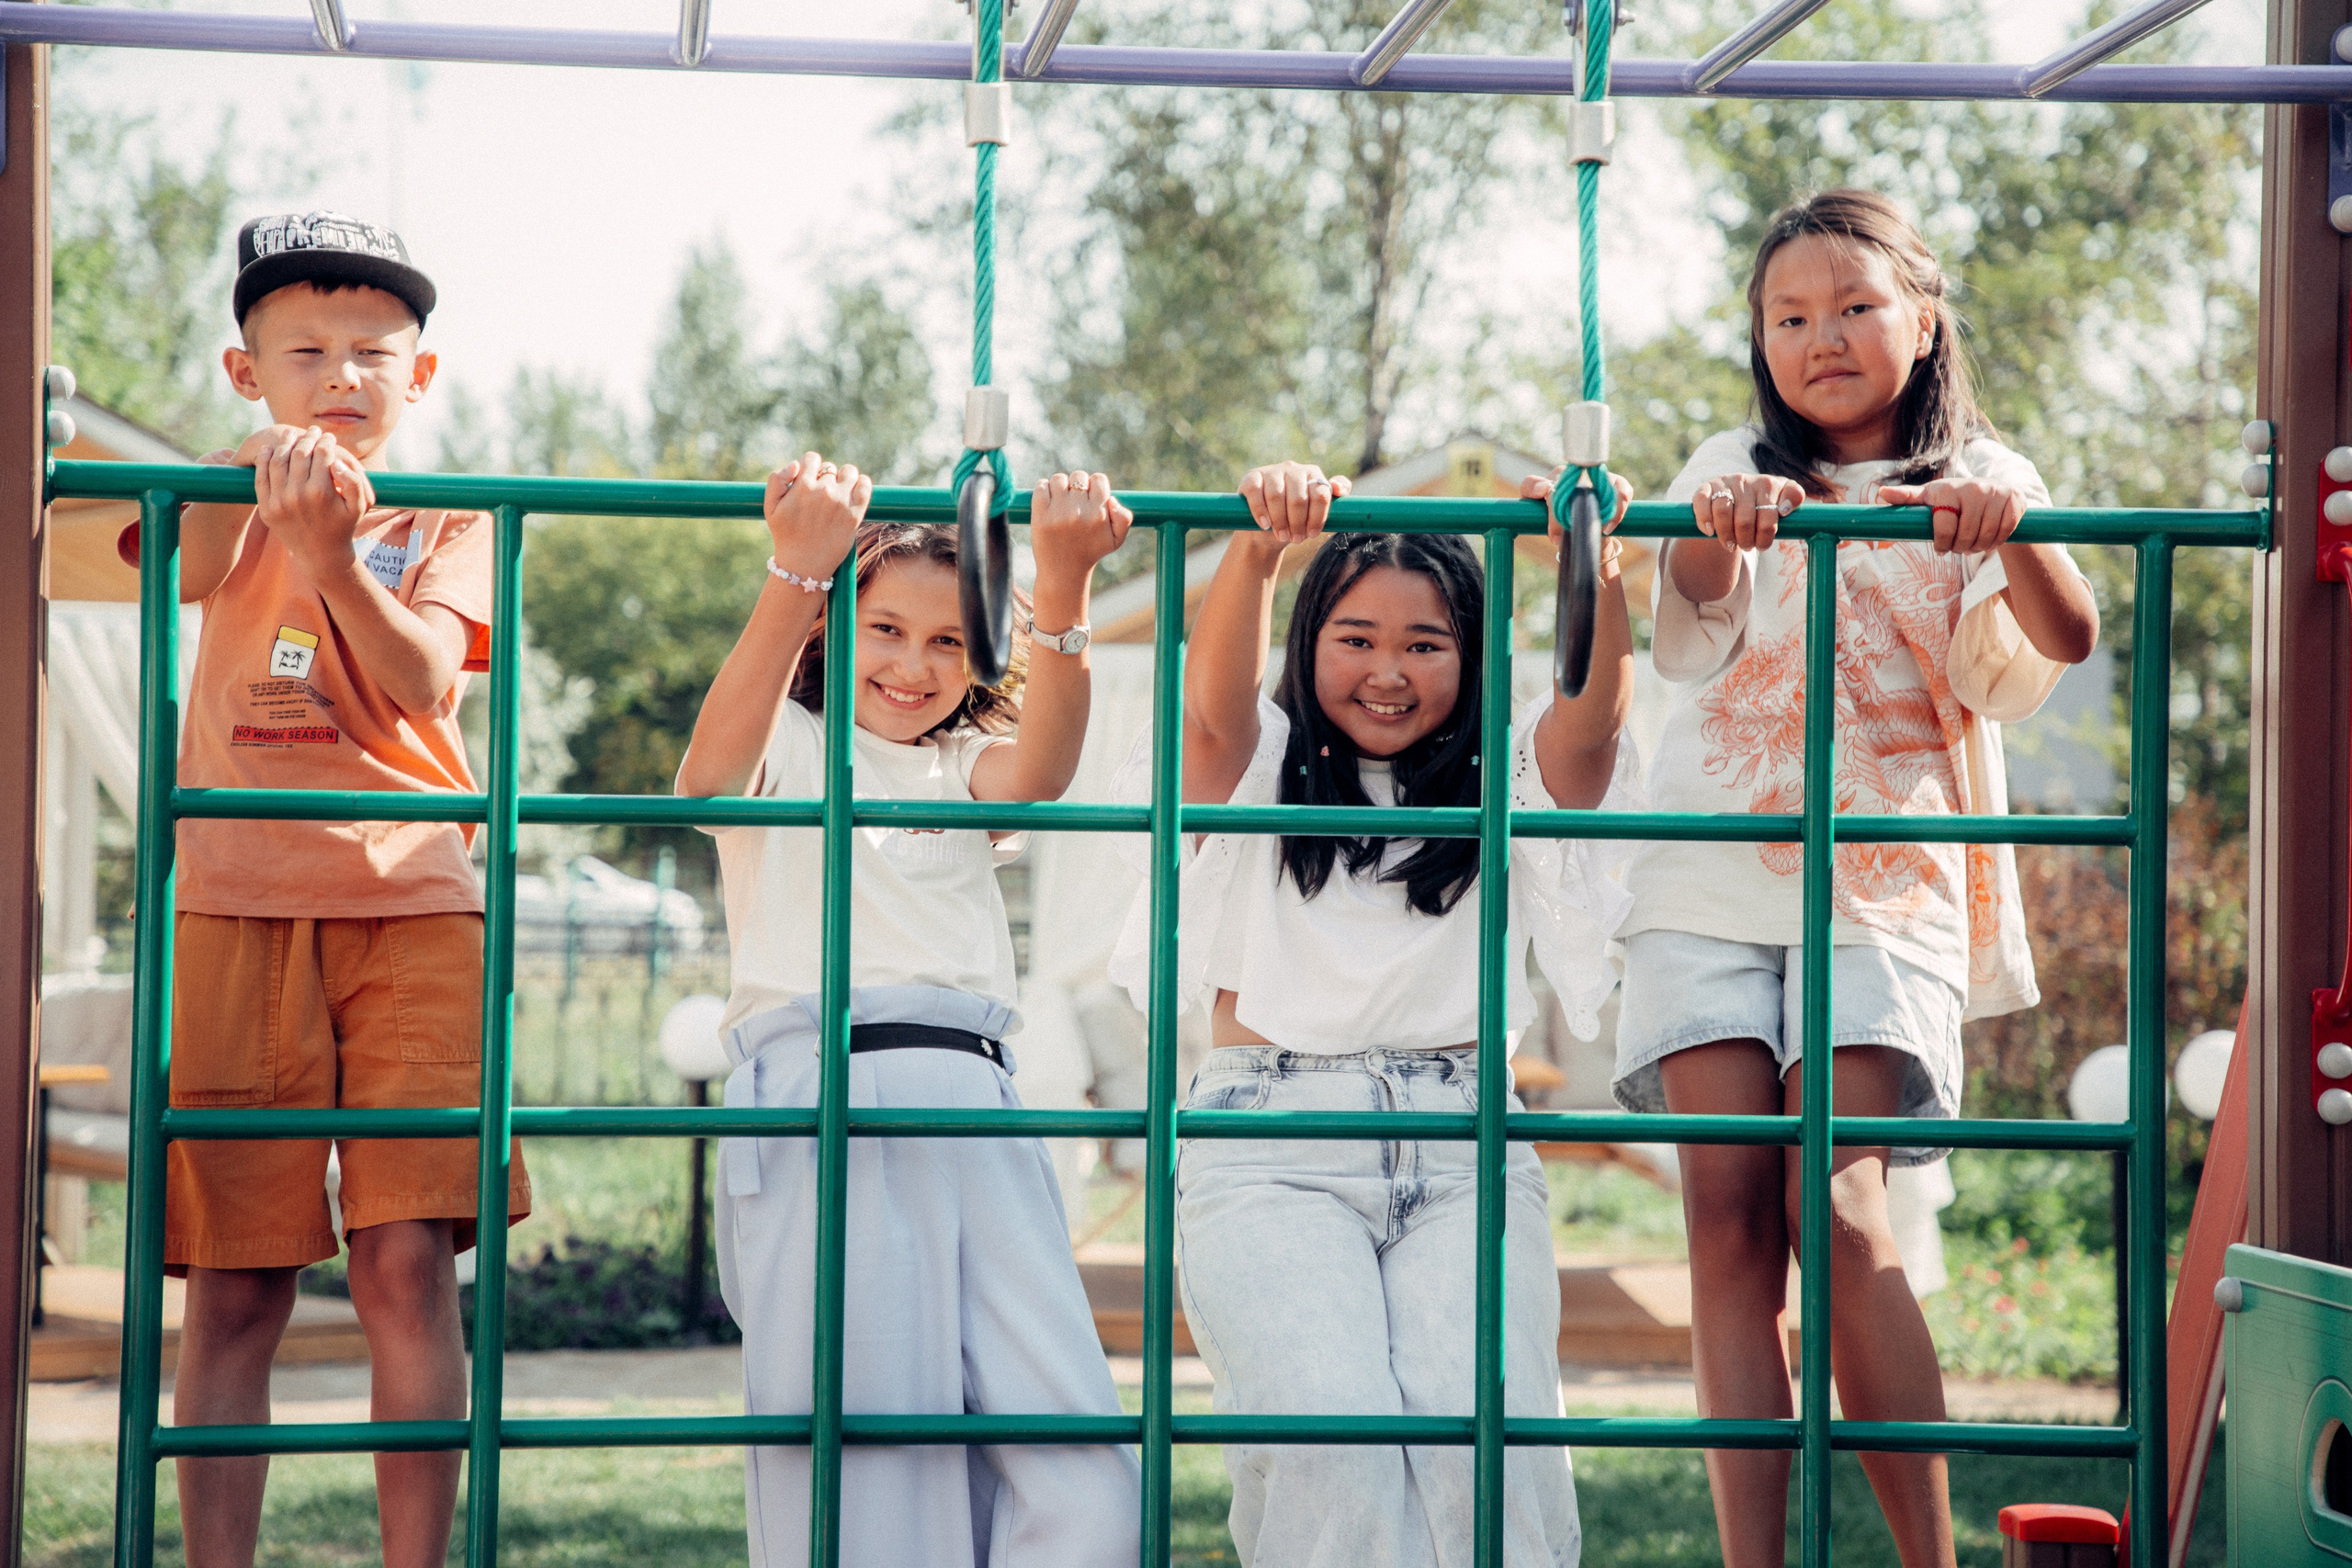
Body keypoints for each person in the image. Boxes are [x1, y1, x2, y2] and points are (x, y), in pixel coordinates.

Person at [1615, 188, 2101, 1568]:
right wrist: (1732, 511)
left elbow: (2056, 632)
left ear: (1925, 316)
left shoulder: (1981, 470)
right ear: (1759, 339)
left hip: (1878, 881)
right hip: (1708, 876)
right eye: (1789, 315)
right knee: (1724, 1211)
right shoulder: (1731, 453)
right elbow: (1694, 598)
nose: (1820, 336)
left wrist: (2005, 524)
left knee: (1837, 1197)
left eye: (1856, 306)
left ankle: (1924, 1556)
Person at [1110, 459, 1638, 1568]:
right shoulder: (1256, 766)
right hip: (1272, 1142)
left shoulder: (1503, 779)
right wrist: (1261, 543)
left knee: (1489, 1460)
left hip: (1462, 1145)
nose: (1387, 672)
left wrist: (1594, 565)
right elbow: (1209, 708)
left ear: (1470, 657)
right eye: (1354, 638)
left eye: (1423, 644)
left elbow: (1589, 729)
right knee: (1330, 1446)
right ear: (1306, 648)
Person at [123, 211, 531, 1568]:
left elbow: (422, 679)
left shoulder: (447, 513)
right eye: (307, 349)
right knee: (236, 1280)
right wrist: (250, 486)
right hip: (238, 899)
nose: (343, 374)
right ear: (250, 374)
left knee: (406, 1262)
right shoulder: (221, 496)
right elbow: (153, 569)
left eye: (374, 350)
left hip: (413, 897)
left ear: (421, 376)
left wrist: (337, 548)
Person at [678, 457, 1143, 1567]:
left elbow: (1039, 773)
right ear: (836, 625)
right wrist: (798, 567)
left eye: (948, 641)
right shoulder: (789, 749)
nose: (914, 664)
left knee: (1075, 1452)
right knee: (863, 1457)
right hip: (818, 1080)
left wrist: (1064, 591)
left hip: (975, 1093)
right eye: (886, 628)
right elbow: (702, 780)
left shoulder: (961, 768)